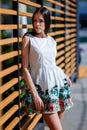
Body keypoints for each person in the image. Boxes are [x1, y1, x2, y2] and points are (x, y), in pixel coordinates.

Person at [22, 6, 73, 130]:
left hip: (58, 87)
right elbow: (24, 69)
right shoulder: (28, 39)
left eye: (41, 21)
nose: (37, 24)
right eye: (35, 21)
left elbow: (51, 64)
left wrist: (64, 76)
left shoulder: (51, 40)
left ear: (47, 22)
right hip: (43, 91)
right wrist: (35, 94)